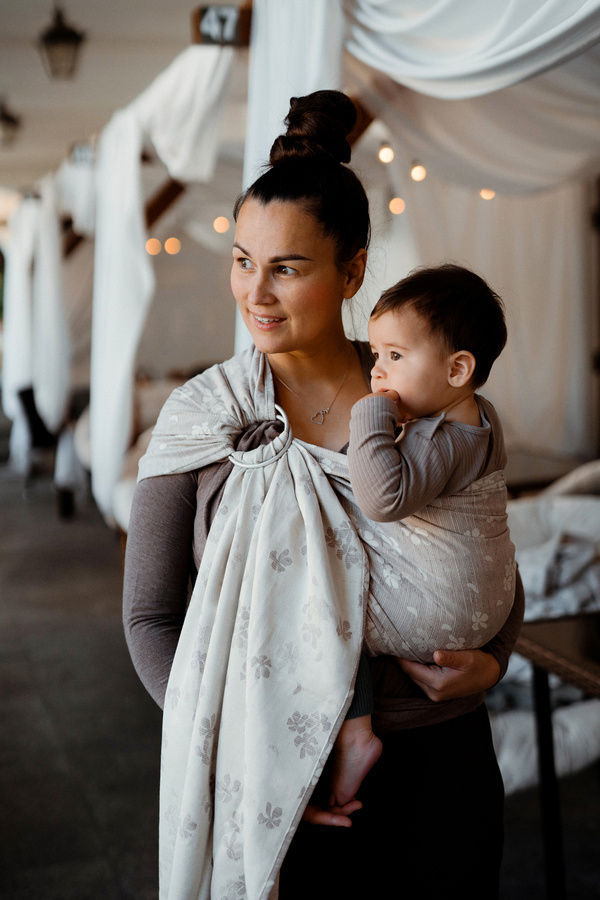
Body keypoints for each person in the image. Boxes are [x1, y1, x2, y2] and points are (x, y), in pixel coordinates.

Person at [122, 90, 524, 900]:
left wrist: (494, 663)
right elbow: (151, 617)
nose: (255, 294)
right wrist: (250, 744)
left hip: (443, 765)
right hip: (274, 768)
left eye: (287, 268)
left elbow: (482, 558)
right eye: (242, 260)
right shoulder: (205, 419)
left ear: (351, 271)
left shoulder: (427, 402)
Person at [330, 264, 515, 808]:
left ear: (458, 369)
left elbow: (381, 500)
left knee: (326, 597)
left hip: (434, 618)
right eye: (375, 355)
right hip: (482, 614)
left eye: (394, 356)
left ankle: (355, 732)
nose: (376, 373)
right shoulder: (483, 422)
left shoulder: (440, 438)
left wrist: (368, 418)